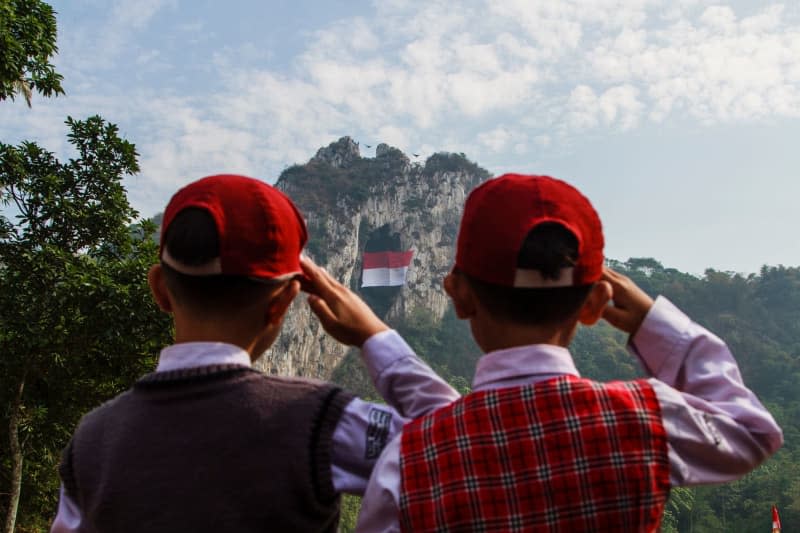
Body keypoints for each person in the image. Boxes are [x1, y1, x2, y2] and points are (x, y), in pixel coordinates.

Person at [356, 173, 784, 532]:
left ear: (459, 295)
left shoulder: (408, 460)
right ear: (597, 303)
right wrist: (652, 324)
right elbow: (752, 433)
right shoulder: (647, 418)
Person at [50, 174, 458, 532]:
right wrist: (374, 335)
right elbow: (457, 442)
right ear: (283, 303)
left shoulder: (92, 441)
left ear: (159, 288)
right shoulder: (322, 421)